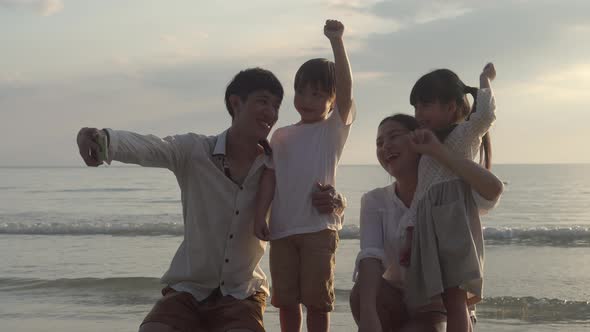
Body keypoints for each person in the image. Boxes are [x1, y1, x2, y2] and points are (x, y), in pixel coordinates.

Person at [76, 67, 346, 332]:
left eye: (276, 106)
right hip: (188, 289)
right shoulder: (195, 151)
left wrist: (336, 201)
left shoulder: (275, 163)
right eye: (263, 102)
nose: (271, 113)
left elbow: (307, 193)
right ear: (236, 103)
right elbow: (150, 147)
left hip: (242, 293)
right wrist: (102, 140)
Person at [351, 113, 503, 332]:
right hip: (395, 298)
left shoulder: (448, 193)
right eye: (379, 143)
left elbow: (493, 190)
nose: (385, 146)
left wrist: (440, 153)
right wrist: (368, 315)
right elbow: (370, 256)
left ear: (419, 140)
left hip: (441, 305)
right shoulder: (375, 200)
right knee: (362, 295)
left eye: (394, 136)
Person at [253, 19, 354, 332]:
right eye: (300, 92)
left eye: (317, 94)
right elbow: (269, 178)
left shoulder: (331, 130)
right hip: (283, 231)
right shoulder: (281, 136)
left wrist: (336, 42)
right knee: (285, 301)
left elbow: (347, 88)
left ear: (332, 100)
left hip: (318, 229)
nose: (307, 100)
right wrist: (261, 215)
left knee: (317, 302)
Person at [399, 63, 498, 331]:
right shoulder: (427, 148)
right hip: (431, 226)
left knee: (456, 298)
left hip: (453, 221)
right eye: (416, 107)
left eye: (426, 105)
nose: (419, 113)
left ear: (452, 106)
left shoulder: (461, 136)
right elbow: (422, 194)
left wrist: (484, 81)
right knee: (449, 298)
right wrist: (410, 235)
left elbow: (485, 115)